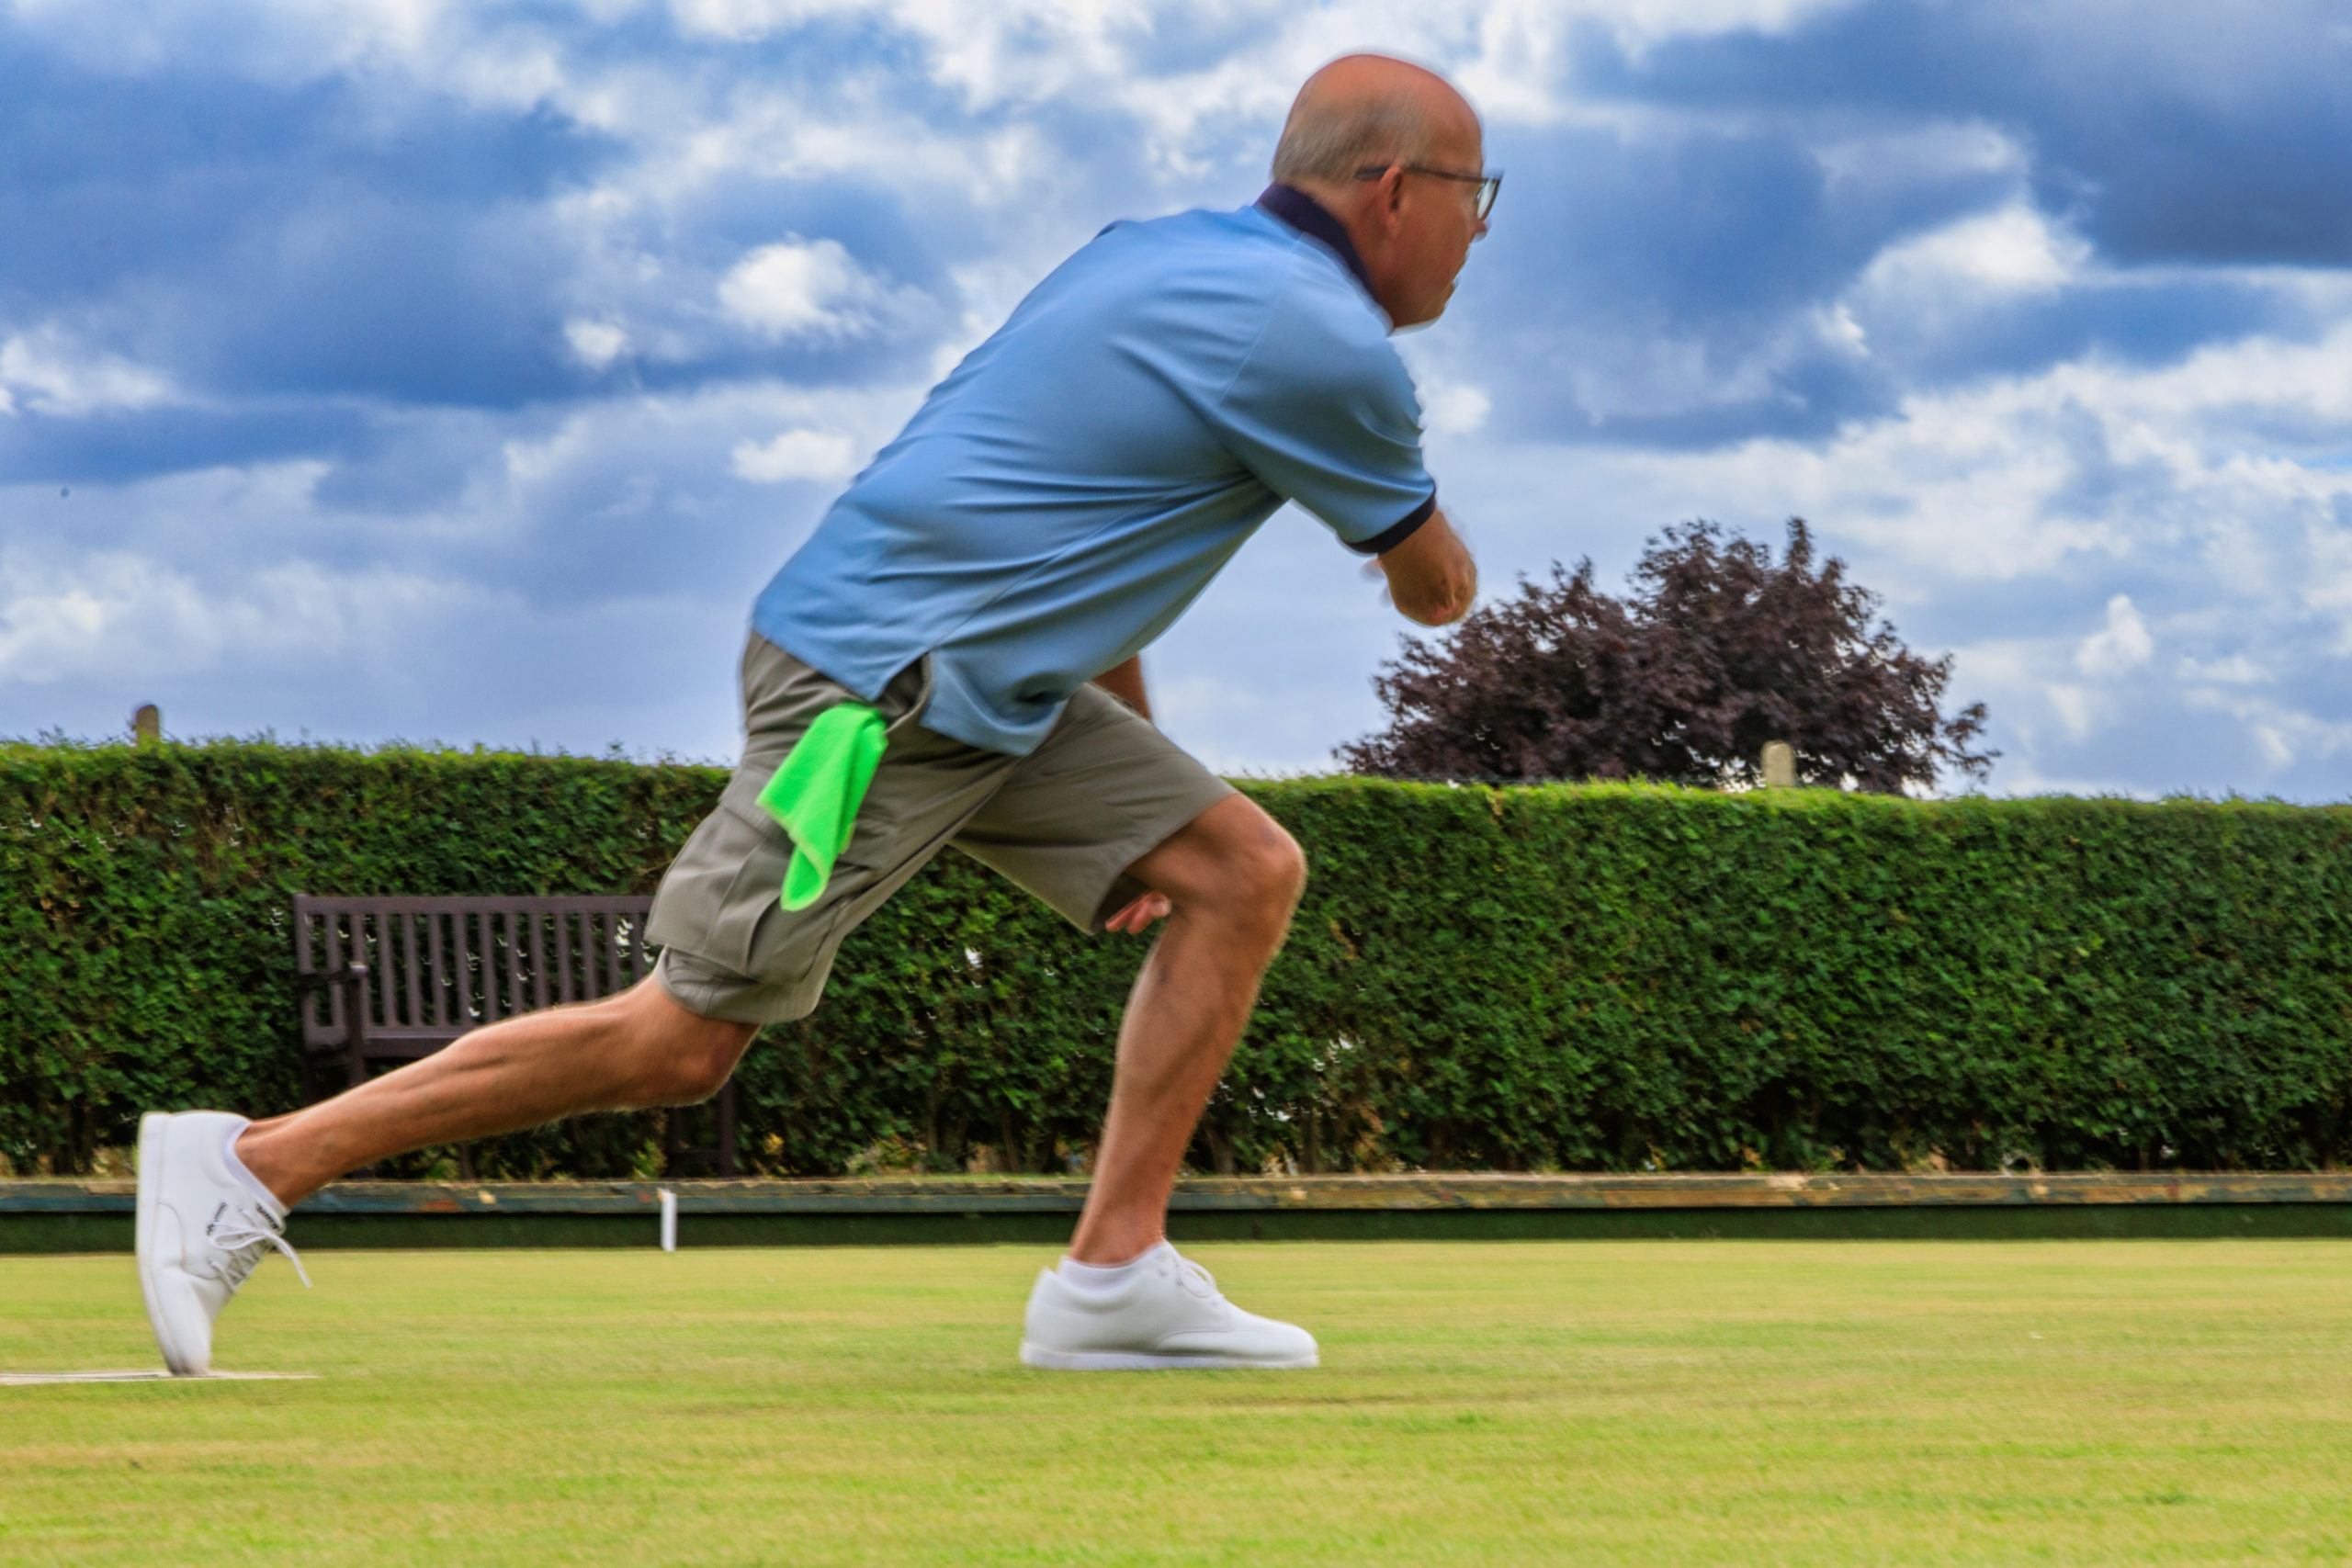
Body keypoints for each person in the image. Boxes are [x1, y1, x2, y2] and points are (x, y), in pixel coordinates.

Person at [134, 51, 1489, 1375]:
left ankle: (1114, 1276)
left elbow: (1060, 520)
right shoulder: (1323, 347)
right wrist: (1436, 538)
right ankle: (251, 1163)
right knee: (682, 1039)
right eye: (1472, 197)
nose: (1475, 237)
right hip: (879, 695)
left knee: (1238, 869)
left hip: (964, 675)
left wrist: (1128, 777)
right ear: (1389, 191)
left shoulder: (1145, 254)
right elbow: (1433, 591)